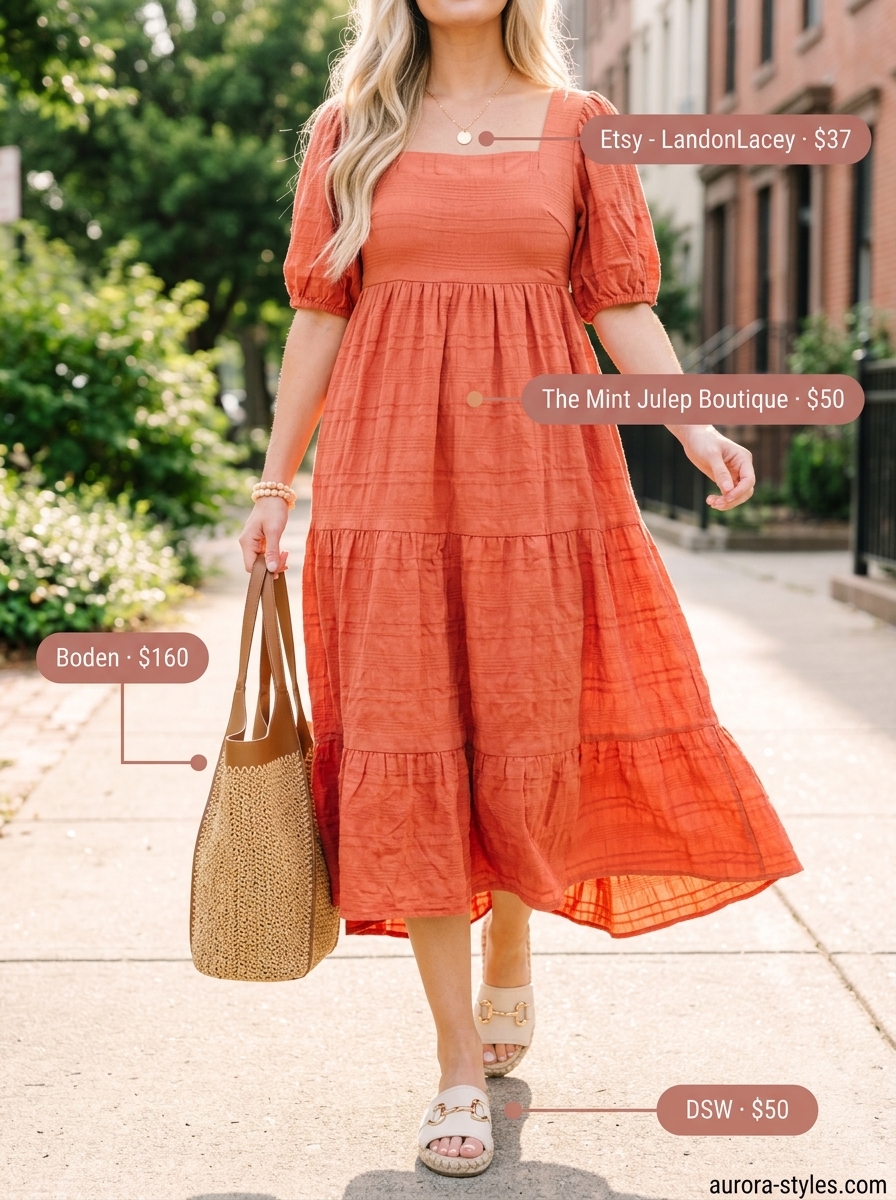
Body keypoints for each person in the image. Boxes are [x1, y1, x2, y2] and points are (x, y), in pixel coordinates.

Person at [239, 0, 802, 1177]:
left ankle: (509, 952)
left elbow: (615, 302)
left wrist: (695, 430)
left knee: (519, 739)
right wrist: (275, 487)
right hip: (390, 488)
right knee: (411, 744)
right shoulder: (349, 128)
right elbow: (316, 314)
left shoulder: (578, 124)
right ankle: (454, 1067)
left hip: (539, 487)